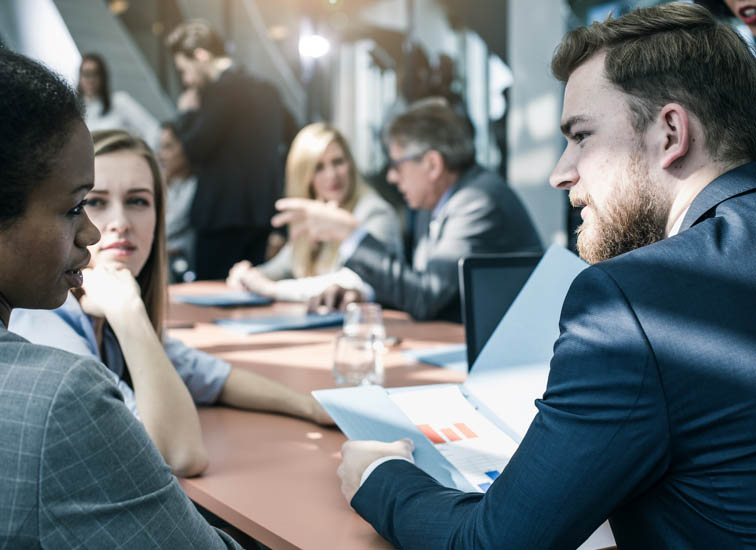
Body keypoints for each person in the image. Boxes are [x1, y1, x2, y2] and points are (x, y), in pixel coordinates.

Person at [336, 4, 756, 548]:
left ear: (671, 132)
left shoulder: (634, 304)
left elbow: (490, 544)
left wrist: (378, 478)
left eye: (581, 136)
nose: (561, 173)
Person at [0, 47, 242, 548]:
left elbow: (202, 372)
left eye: (139, 201)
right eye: (76, 206)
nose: (96, 231)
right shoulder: (61, 393)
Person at [10, 129, 330, 478]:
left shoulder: (95, 312)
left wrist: (312, 408)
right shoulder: (50, 324)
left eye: (138, 201)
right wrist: (128, 313)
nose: (120, 223)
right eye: (95, 202)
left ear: (158, 218)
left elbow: (210, 376)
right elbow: (179, 455)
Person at [276, 98, 542, 322]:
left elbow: (426, 298)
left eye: (397, 165)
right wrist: (365, 296)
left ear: (432, 165)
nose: (391, 177)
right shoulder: (433, 201)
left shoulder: (476, 201)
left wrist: (351, 235)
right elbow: (420, 288)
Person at [226, 123, 403, 302]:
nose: (332, 175)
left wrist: (273, 289)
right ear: (304, 176)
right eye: (319, 167)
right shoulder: (313, 215)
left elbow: (351, 284)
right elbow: (280, 268)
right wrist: (248, 275)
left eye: (338, 162)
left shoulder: (375, 212)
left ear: (350, 164)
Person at [166, 20, 286, 280]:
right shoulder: (268, 90)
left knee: (212, 294)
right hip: (260, 214)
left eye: (185, 70)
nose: (187, 80)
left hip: (221, 215)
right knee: (248, 291)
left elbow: (194, 148)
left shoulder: (220, 91)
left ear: (201, 56)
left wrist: (186, 113)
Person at [77, 53, 160, 147]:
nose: (90, 79)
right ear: (80, 77)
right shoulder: (76, 112)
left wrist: (144, 157)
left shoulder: (119, 101)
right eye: (86, 74)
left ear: (102, 77)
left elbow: (152, 129)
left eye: (95, 74)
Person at [158, 121, 197, 281]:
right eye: (161, 147)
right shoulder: (168, 185)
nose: (161, 155)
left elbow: (170, 226)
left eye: (168, 147)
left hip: (181, 266)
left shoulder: (195, 185)